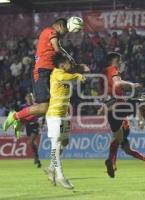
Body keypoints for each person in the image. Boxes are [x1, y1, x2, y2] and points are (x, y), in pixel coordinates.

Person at [3, 18, 88, 137]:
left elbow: (59, 48)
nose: (66, 33)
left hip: (48, 72)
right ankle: (14, 116)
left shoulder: (52, 35)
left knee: (47, 109)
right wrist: (73, 63)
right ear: (60, 26)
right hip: (42, 72)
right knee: (43, 108)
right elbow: (57, 49)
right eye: (66, 30)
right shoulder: (51, 31)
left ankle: (22, 121)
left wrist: (73, 63)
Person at [102, 52, 145, 178]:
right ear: (114, 60)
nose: (120, 63)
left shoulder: (103, 74)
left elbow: (111, 91)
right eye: (119, 60)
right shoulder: (113, 69)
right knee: (142, 101)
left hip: (110, 112)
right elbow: (118, 84)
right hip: (119, 108)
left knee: (117, 139)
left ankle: (110, 161)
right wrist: (132, 85)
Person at [44, 53, 86, 189]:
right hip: (54, 115)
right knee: (55, 147)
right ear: (62, 64)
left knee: (65, 142)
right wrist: (78, 75)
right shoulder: (57, 73)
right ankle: (61, 176)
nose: (70, 65)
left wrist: (79, 70)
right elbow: (65, 77)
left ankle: (51, 168)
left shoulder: (65, 72)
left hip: (64, 114)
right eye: (68, 63)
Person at [21, 93, 42, 168]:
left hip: (35, 124)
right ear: (25, 98)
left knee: (30, 141)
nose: (30, 98)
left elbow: (41, 114)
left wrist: (42, 122)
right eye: (28, 96)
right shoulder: (23, 107)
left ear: (33, 97)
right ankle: (37, 158)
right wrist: (22, 126)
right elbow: (23, 117)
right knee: (31, 142)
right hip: (28, 126)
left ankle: (36, 156)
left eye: (31, 96)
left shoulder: (36, 105)